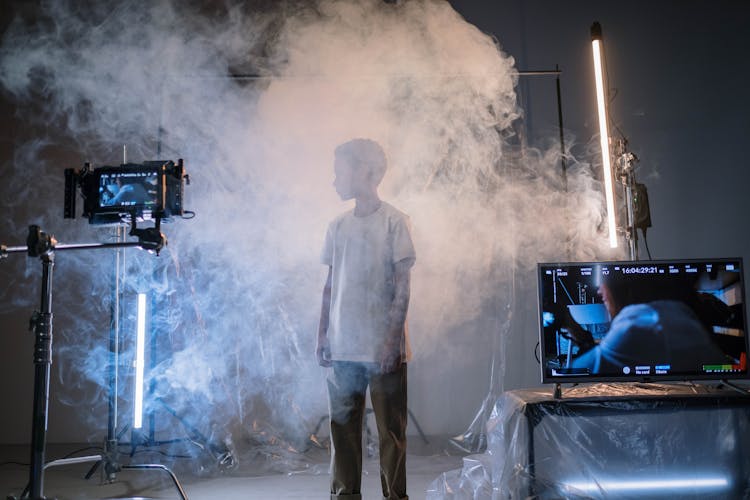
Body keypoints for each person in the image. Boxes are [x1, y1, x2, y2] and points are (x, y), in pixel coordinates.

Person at [317, 138, 416, 500]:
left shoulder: (395, 222)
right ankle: (345, 496)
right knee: (342, 429)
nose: (335, 179)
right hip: (344, 345)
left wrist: (392, 342)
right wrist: (322, 335)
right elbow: (330, 285)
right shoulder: (337, 226)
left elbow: (403, 288)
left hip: (382, 348)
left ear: (364, 172)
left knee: (391, 432)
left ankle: (395, 496)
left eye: (339, 170)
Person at [568, 272, 731, 374]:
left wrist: (570, 324)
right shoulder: (674, 314)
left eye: (604, 279)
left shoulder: (638, 323)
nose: (599, 290)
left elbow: (576, 371)